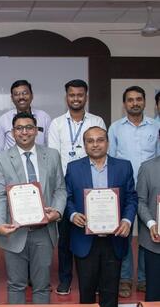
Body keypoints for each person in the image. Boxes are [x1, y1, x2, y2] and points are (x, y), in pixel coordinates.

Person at [0, 112, 66, 304]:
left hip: (44, 230)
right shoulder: (0, 159)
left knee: (42, 285)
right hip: (14, 231)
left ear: (36, 131)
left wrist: (56, 212)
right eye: (19, 128)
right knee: (15, 285)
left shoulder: (52, 155)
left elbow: (60, 189)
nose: (24, 132)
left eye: (29, 127)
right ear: (13, 132)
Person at [65, 126, 137, 307]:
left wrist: (127, 220)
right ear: (84, 144)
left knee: (110, 293)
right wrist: (73, 214)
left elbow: (131, 198)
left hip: (114, 239)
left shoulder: (123, 166)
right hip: (84, 239)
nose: (95, 144)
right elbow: (66, 197)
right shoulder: (73, 168)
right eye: (90, 141)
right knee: (86, 294)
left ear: (107, 142)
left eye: (100, 140)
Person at [47, 79, 106, 295]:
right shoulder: (57, 123)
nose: (76, 98)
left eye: (80, 95)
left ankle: (92, 279)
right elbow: (53, 157)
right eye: (72, 95)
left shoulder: (96, 120)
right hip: (65, 187)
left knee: (92, 235)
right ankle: (65, 278)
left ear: (86, 96)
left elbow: (101, 150)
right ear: (66, 97)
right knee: (65, 238)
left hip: (92, 187)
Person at [108, 85, 159, 297]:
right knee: (124, 235)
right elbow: (110, 158)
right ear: (124, 104)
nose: (135, 103)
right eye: (130, 100)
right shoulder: (115, 128)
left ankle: (146, 279)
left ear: (145, 102)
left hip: (150, 190)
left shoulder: (155, 127)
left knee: (149, 234)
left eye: (139, 99)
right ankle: (126, 278)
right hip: (125, 189)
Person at [0, 80, 51, 153]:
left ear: (32, 95)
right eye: (16, 94)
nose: (21, 97)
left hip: (40, 161)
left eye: (25, 93)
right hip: (11, 163)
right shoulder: (3, 119)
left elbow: (49, 145)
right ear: (12, 98)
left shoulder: (44, 117)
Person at [136, 156, 160, 301]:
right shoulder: (147, 167)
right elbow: (140, 201)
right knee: (154, 296)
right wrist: (151, 223)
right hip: (155, 243)